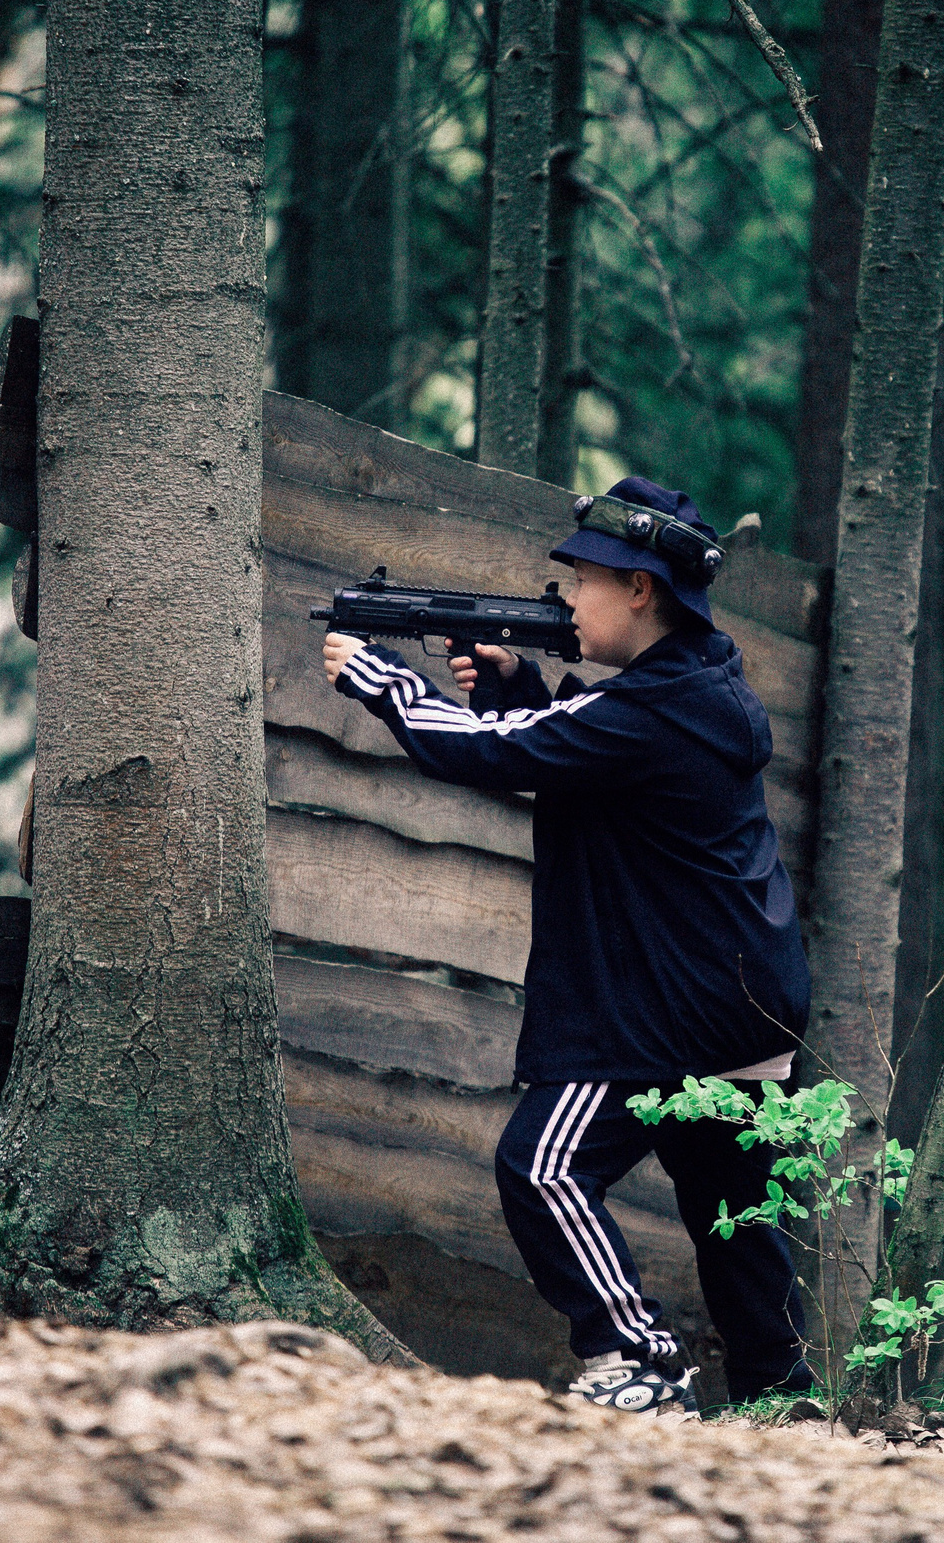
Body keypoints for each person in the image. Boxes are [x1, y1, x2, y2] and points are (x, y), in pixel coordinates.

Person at [319, 476, 814, 1414]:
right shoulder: (698, 691)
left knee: (541, 1166)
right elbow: (579, 756)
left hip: (668, 1015)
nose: (568, 597)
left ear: (640, 591)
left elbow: (486, 752)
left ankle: (640, 1358)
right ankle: (783, 1400)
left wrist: (381, 678)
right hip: (744, 1007)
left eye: (585, 578)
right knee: (735, 1218)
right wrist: (524, 686)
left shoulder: (651, 710)